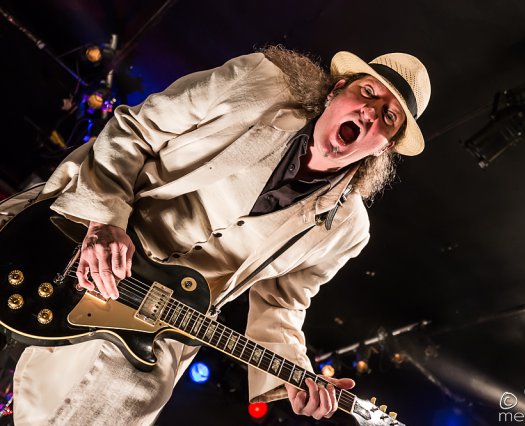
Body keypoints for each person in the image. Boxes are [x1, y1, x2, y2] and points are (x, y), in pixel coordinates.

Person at [0, 45, 431, 424]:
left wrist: (294, 376)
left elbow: (281, 302)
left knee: (124, 395)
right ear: (336, 91)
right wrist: (104, 220)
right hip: (85, 236)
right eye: (367, 92)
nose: (371, 112)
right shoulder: (259, 81)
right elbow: (136, 130)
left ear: (384, 147)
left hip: (163, 319)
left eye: (388, 116)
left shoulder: (348, 230)